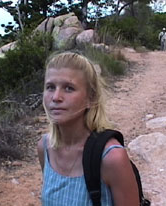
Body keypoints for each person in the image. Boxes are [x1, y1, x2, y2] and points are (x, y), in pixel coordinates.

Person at [37, 51, 139, 206]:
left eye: (69, 88)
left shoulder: (112, 158)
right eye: (50, 87)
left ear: (90, 99)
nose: (56, 97)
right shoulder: (44, 148)